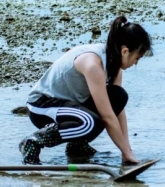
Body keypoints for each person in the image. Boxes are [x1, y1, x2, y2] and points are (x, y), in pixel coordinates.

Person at [19, 16, 152, 165]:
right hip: (41, 106)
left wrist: (127, 151)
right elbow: (107, 116)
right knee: (89, 122)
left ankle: (77, 146)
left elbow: (117, 111)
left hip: (70, 107)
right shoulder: (93, 64)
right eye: (137, 58)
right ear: (125, 51)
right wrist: (126, 152)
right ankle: (34, 141)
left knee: (119, 96)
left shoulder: (114, 67)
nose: (136, 63)